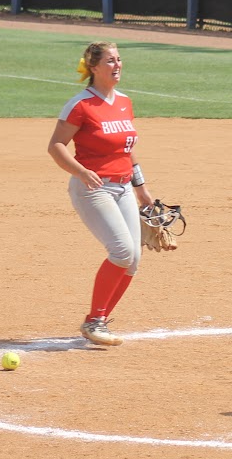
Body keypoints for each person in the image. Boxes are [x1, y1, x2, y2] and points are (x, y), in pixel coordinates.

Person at [48, 42, 157, 346]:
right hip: (93, 188)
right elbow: (56, 145)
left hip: (123, 186)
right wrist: (80, 172)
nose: (117, 65)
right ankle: (95, 321)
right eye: (110, 61)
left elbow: (128, 149)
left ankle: (96, 321)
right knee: (122, 252)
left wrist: (141, 188)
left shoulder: (124, 102)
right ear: (93, 67)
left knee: (133, 260)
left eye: (119, 60)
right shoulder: (80, 105)